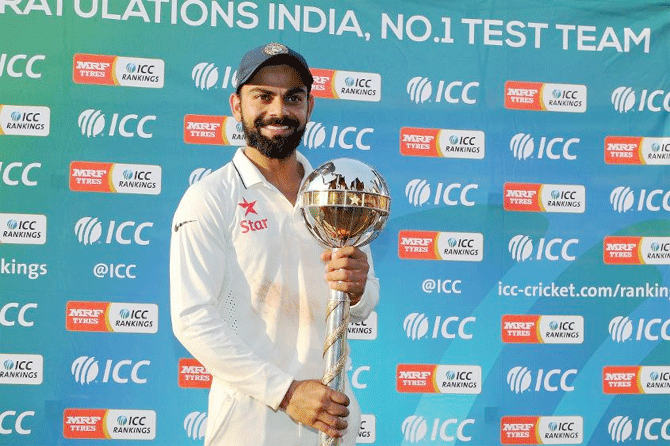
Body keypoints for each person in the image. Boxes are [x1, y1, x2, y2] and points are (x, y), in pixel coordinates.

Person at [170, 42, 379, 446]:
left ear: (309, 108)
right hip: (250, 422)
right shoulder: (211, 197)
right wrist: (286, 392)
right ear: (237, 105)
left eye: (292, 98)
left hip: (333, 419)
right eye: (262, 96)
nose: (278, 111)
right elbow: (192, 318)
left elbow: (366, 302)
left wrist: (357, 289)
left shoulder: (337, 194)